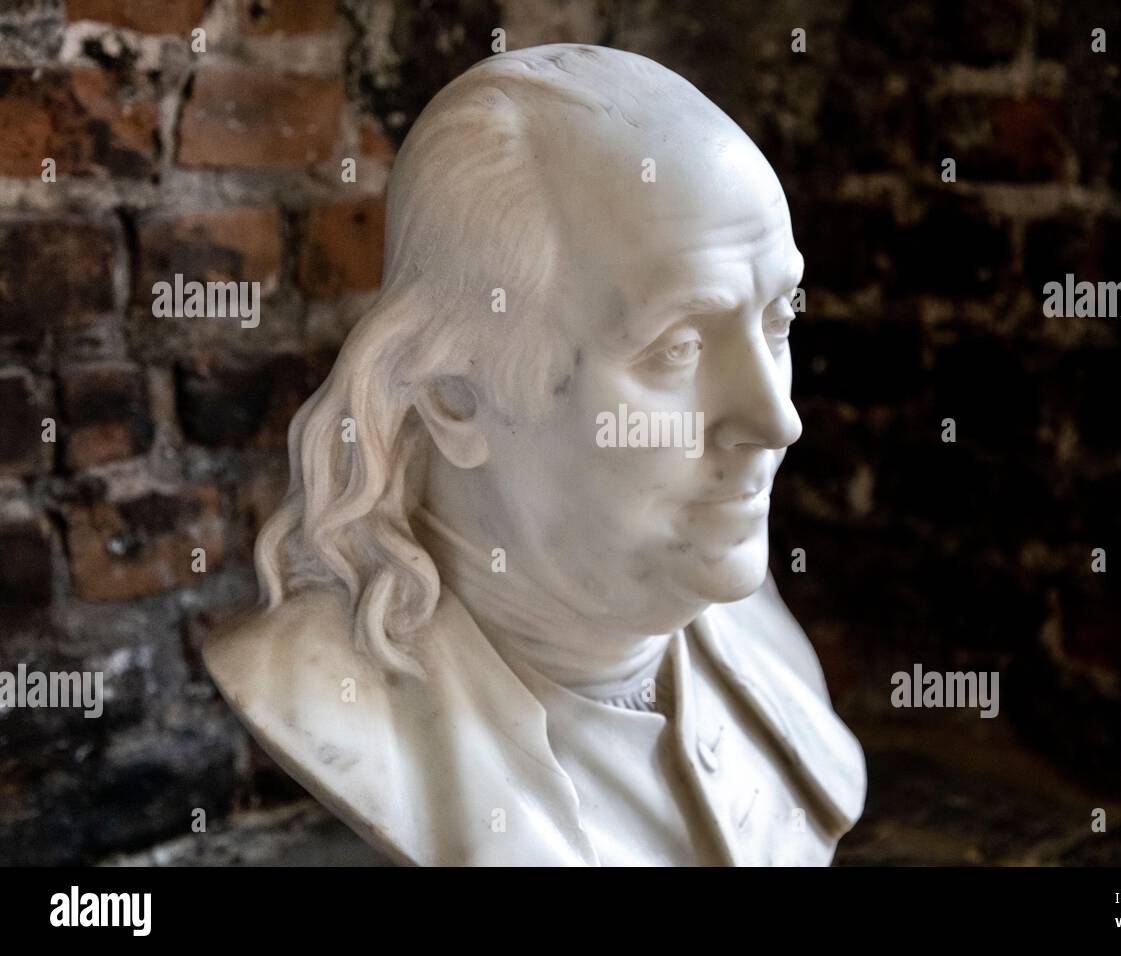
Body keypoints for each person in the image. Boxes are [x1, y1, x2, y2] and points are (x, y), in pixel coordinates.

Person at [204, 43, 866, 866]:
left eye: (777, 322)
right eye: (680, 348)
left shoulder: (758, 640)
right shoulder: (325, 700)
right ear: (455, 394)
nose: (777, 420)